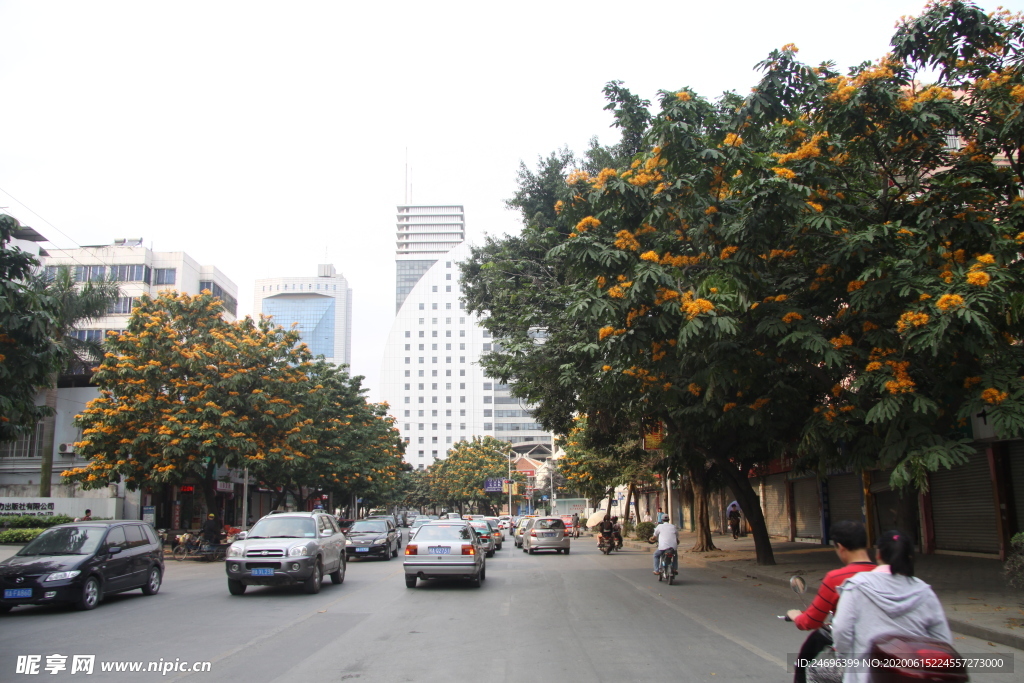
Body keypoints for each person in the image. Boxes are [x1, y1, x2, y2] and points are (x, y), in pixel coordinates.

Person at [832, 530, 952, 683]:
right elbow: (942, 642)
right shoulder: (924, 593)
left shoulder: (856, 587)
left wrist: (844, 658)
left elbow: (841, 630)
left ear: (878, 555)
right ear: (910, 557)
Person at [787, 520, 876, 683]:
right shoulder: (884, 574)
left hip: (853, 656)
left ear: (840, 547)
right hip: (885, 655)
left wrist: (795, 616)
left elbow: (811, 621)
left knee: (810, 670)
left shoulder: (836, 579)